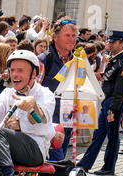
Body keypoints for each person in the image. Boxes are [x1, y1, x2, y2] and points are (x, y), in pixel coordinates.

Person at [78, 31, 123, 176]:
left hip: (115, 103)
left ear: (121, 44)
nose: (109, 43)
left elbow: (120, 91)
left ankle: (109, 166)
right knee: (98, 134)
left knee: (113, 136)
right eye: (109, 41)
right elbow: (110, 79)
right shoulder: (114, 60)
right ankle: (85, 163)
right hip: (107, 101)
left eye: (113, 42)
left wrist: (112, 110)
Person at [38, 16, 77, 162]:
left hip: (68, 119)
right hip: (49, 123)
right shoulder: (44, 60)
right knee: (57, 161)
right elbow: (32, 90)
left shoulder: (76, 61)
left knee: (58, 161)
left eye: (74, 35)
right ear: (55, 37)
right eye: (67, 35)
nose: (72, 39)